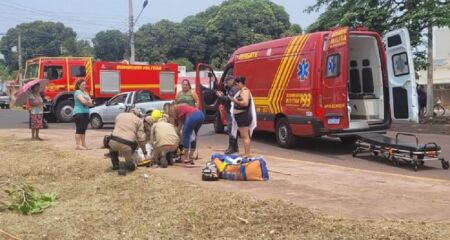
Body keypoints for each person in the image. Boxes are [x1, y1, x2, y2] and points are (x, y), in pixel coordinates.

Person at [109, 108, 147, 175]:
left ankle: (115, 165)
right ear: (137, 114)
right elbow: (141, 140)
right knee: (131, 166)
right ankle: (126, 164)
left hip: (113, 141)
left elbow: (116, 129)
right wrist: (144, 152)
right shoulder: (139, 121)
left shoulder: (120, 115)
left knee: (112, 145)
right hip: (127, 145)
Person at [230, 76, 257, 157]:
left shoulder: (245, 91)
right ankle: (246, 152)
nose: (236, 86)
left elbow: (245, 103)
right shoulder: (241, 91)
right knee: (243, 135)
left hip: (243, 116)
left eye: (236, 84)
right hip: (241, 116)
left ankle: (247, 153)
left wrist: (235, 100)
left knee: (245, 136)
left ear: (241, 83)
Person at [216, 75, 239, 154]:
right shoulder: (231, 88)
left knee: (231, 128)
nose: (226, 83)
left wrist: (221, 96)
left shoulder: (233, 89)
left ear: (231, 80)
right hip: (229, 111)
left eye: (227, 81)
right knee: (232, 128)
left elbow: (229, 99)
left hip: (231, 112)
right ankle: (235, 147)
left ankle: (231, 147)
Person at [73, 79, 93, 150]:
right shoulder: (77, 92)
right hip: (78, 112)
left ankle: (83, 144)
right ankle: (78, 145)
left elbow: (91, 103)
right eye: (83, 85)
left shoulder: (85, 92)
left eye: (85, 84)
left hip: (86, 112)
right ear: (79, 86)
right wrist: (87, 102)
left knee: (84, 129)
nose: (85, 86)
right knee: (79, 129)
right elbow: (83, 101)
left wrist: (87, 102)